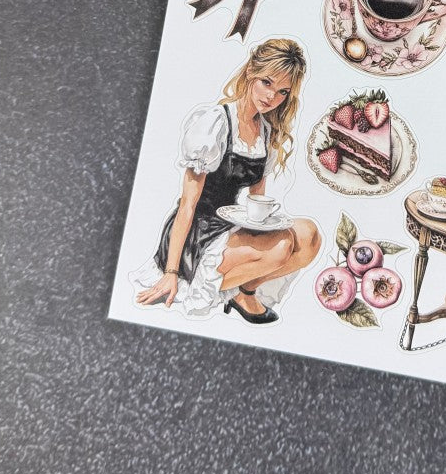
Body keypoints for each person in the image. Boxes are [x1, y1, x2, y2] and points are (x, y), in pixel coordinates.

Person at [132, 39, 319, 323]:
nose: (272, 97)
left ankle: (245, 291)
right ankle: (197, 284)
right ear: (250, 72)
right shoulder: (216, 122)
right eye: (267, 82)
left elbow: (257, 203)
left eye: (283, 91)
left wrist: (265, 228)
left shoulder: (266, 132)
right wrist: (170, 271)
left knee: (309, 235)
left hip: (228, 225)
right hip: (197, 232)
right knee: (281, 245)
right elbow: (187, 205)